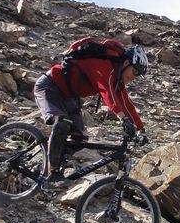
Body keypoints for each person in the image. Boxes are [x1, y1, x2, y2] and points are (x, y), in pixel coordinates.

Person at [33, 37, 150, 178]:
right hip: (49, 86)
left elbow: (127, 104)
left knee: (79, 138)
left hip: (68, 96)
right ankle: (51, 173)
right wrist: (122, 118)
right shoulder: (103, 67)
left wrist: (141, 129)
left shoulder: (116, 78)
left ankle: (44, 165)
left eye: (138, 75)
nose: (134, 77)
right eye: (135, 71)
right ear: (126, 63)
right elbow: (107, 92)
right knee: (62, 123)